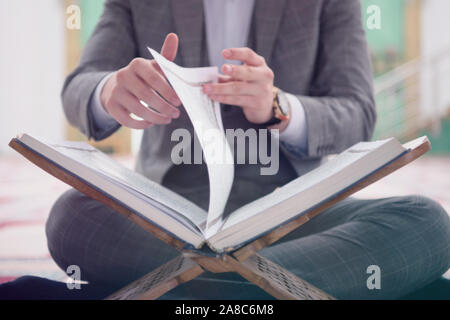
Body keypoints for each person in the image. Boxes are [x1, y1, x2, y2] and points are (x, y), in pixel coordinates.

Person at [47, 0, 450, 299]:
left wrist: (279, 107)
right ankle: (267, 292)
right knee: (70, 215)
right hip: (168, 219)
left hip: (293, 217)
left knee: (426, 221)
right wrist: (110, 91)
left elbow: (358, 113)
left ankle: (195, 291)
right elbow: (79, 88)